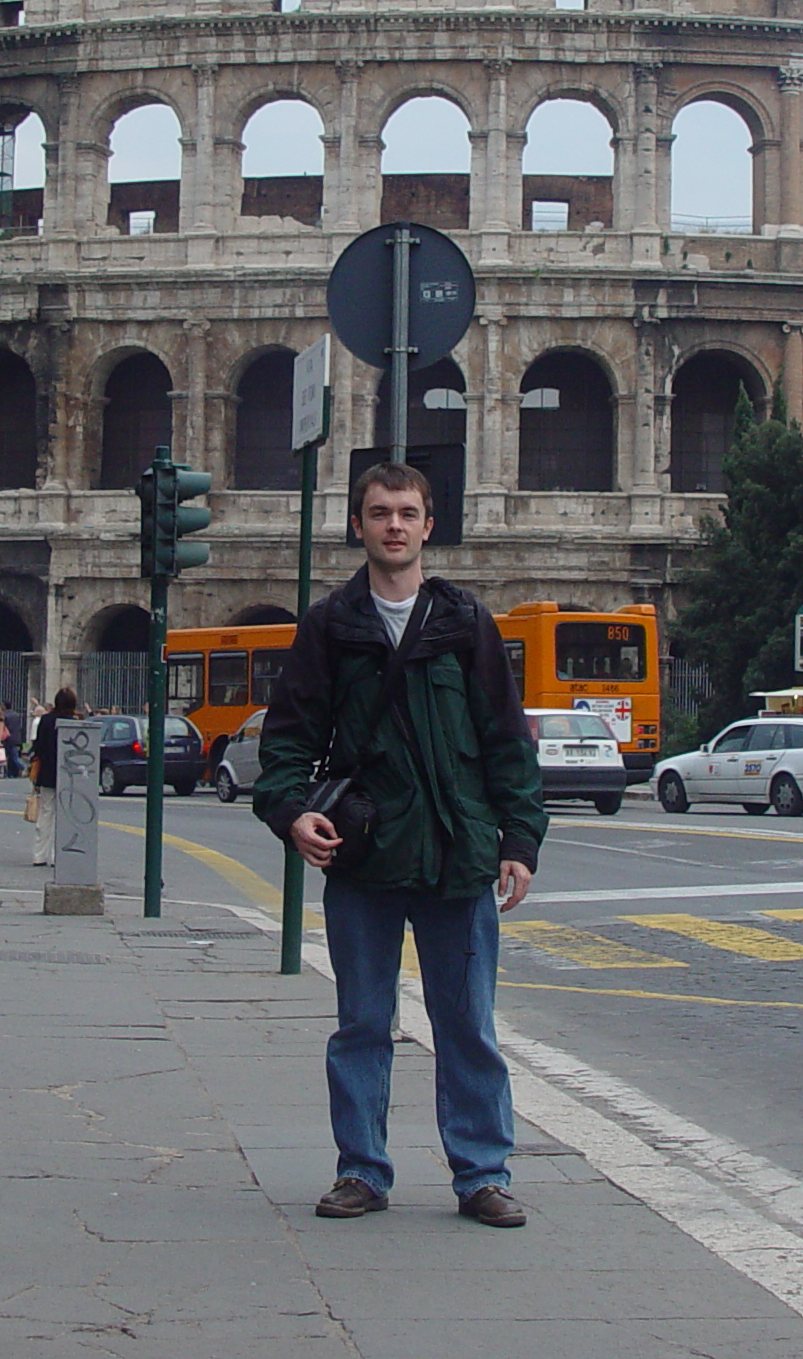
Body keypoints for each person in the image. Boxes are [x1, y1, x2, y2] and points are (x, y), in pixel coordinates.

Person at [254, 459, 545, 1229]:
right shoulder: (329, 625)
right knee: (361, 1024)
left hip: (456, 855)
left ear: (428, 526)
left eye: (406, 513)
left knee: (468, 1028)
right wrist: (291, 815)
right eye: (379, 512)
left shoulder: (465, 622)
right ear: (358, 525)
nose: (393, 525)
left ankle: (482, 1174)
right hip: (366, 857)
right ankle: (362, 1171)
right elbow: (286, 741)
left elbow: (506, 741)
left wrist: (519, 840)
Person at [27, 687, 76, 866]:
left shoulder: (46, 720)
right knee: (64, 815)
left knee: (46, 813)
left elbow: (38, 747)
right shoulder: (74, 722)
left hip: (48, 772)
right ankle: (59, 855)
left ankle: (39, 855)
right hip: (70, 775)